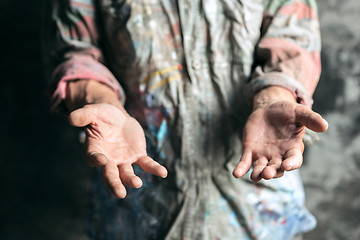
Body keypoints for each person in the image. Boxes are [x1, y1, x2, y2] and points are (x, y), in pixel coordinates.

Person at [43, 0, 328, 239]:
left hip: (257, 211)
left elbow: (294, 42)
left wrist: (272, 97)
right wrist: (101, 102)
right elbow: (75, 50)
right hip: (137, 201)